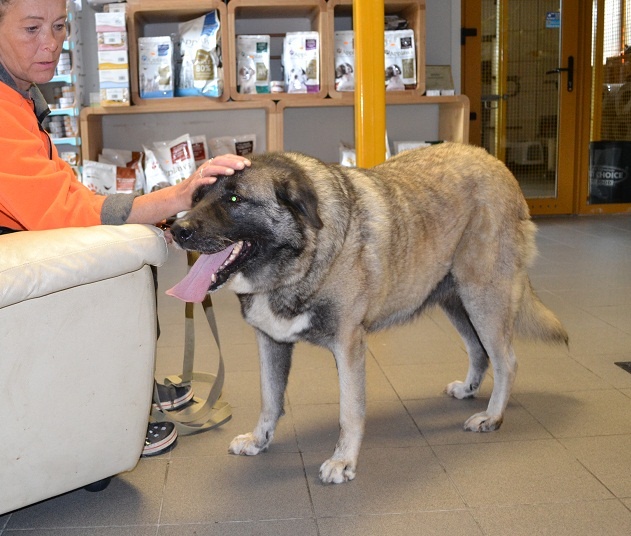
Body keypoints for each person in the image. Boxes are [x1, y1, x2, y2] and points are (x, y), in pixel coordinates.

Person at [0, 0, 250, 456]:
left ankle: (127, 386)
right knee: (126, 260)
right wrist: (176, 196)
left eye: (58, 26)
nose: (50, 44)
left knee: (132, 243)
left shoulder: (18, 97)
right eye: (32, 29)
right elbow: (59, 210)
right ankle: (113, 413)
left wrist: (152, 213)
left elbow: (54, 190)